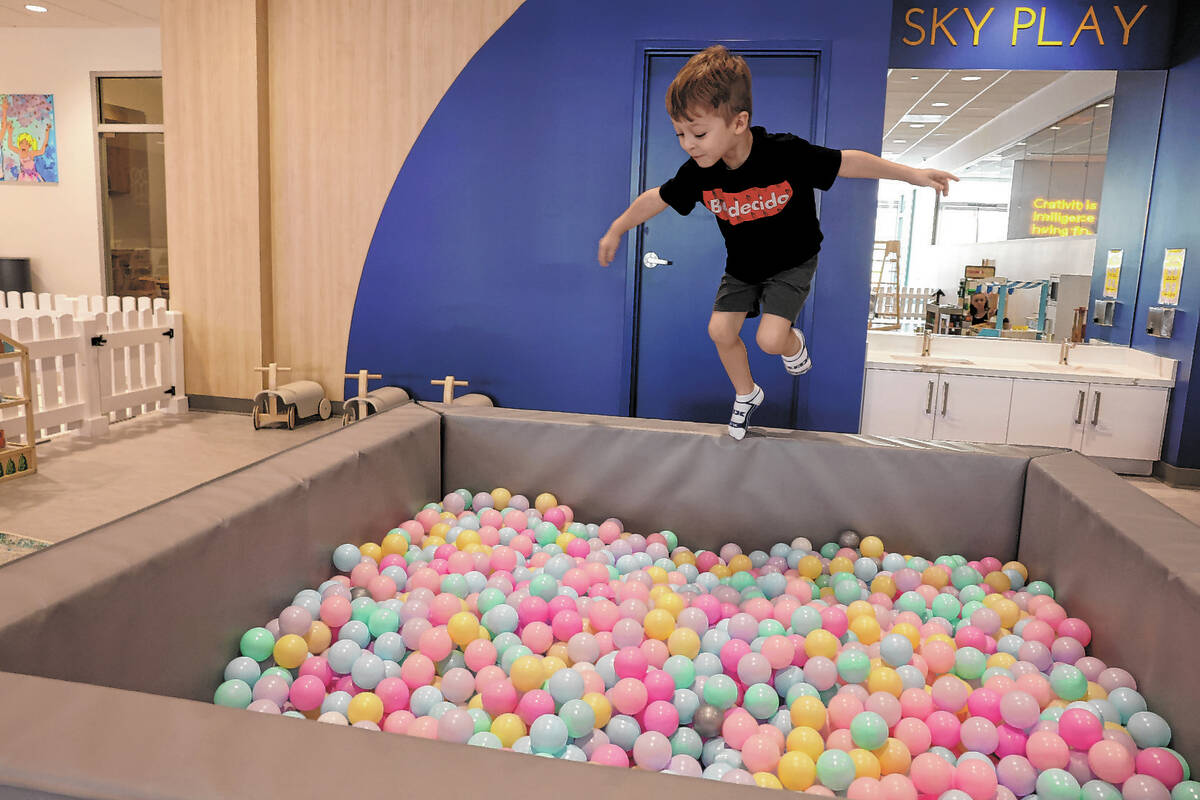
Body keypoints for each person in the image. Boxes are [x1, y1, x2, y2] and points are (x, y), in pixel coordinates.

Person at [598, 45, 956, 439]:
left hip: (793, 260)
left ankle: (792, 343)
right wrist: (617, 228)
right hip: (743, 268)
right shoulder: (699, 173)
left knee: (770, 340)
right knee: (719, 331)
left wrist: (910, 174)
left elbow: (847, 161)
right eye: (680, 134)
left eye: (698, 133)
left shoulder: (783, 153)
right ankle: (747, 393)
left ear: (739, 122)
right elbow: (656, 198)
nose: (688, 144)